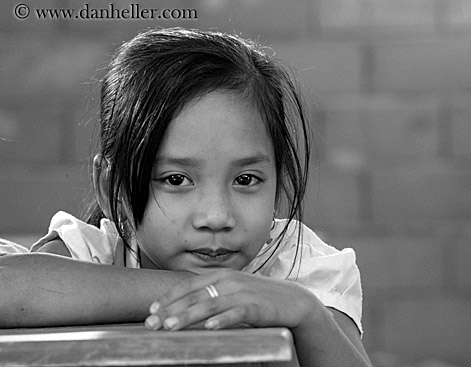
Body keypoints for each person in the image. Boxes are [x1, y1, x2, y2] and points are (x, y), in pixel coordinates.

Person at [0, 28, 372, 367]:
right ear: (112, 186)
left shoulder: (295, 267)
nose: (216, 216)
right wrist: (205, 292)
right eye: (176, 179)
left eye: (246, 179)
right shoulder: (93, 255)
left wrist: (306, 313)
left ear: (279, 181)